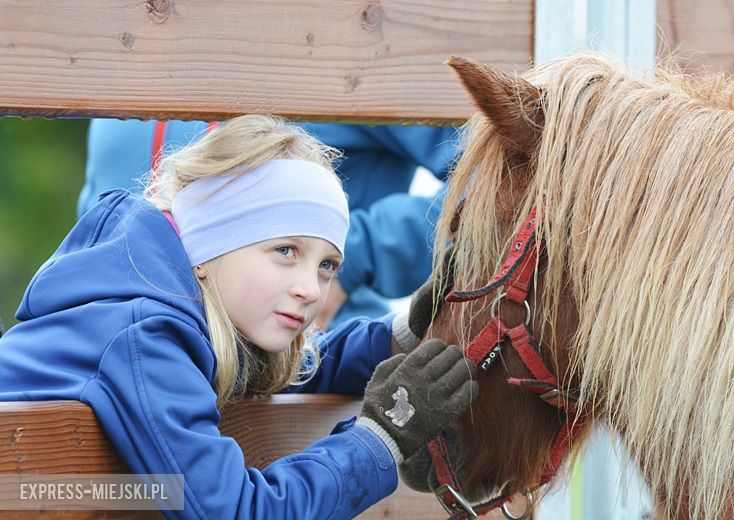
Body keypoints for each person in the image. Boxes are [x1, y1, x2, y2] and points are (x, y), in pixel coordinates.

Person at [0, 115, 478, 519]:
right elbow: (232, 511)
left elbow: (283, 368)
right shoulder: (145, 334)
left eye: (327, 265)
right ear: (211, 245)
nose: (311, 289)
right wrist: (380, 438)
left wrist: (399, 335)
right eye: (285, 250)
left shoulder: (187, 305)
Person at [77, 119, 459, 329]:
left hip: (314, 380)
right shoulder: (127, 29)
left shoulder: (365, 27)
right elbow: (97, 212)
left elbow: (506, 172)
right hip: (122, 367)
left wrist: (357, 254)